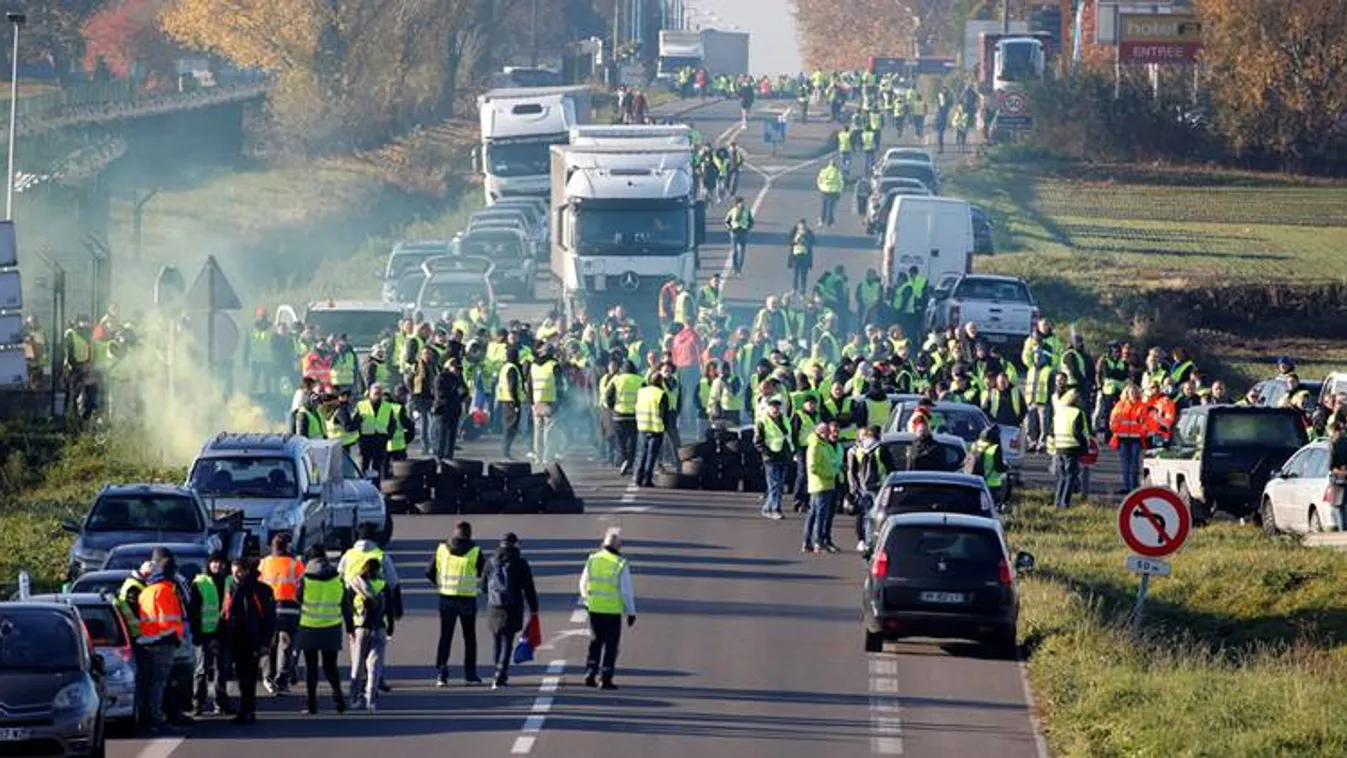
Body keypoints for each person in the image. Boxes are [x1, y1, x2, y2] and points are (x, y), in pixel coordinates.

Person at [428, 521, 486, 687]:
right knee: (469, 638)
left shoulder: (442, 550)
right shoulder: (475, 551)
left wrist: (440, 582)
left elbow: (429, 572)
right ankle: (470, 674)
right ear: (469, 534)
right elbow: (484, 573)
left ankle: (441, 673)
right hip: (467, 599)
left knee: (445, 637)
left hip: (446, 597)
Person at [579, 528, 636, 690]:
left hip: (595, 609)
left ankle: (590, 672)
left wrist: (587, 601)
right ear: (618, 547)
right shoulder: (620, 563)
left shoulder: (592, 559)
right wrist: (631, 612)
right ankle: (605, 677)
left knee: (595, 642)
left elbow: (583, 583)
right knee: (611, 645)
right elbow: (626, 591)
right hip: (612, 611)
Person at [220, 558, 275, 725]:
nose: (236, 574)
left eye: (238, 571)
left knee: (248, 677)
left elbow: (268, 619)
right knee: (243, 677)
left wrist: (265, 642)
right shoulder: (232, 588)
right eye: (233, 570)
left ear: (246, 571)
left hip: (251, 639)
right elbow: (226, 613)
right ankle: (247, 710)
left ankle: (248, 711)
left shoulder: (259, 591)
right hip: (235, 638)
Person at [137, 554, 188, 732]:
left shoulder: (145, 592)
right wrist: (176, 637)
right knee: (159, 683)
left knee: (150, 682)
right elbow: (169, 621)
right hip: (163, 641)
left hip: (146, 642)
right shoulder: (166, 592)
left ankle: (149, 716)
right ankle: (156, 718)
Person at [482, 532, 540, 688]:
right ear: (515, 545)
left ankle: (496, 670)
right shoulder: (520, 563)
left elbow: (482, 586)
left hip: (494, 606)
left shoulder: (490, 562)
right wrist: (534, 609)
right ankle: (501, 675)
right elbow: (529, 588)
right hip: (512, 606)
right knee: (507, 641)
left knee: (496, 640)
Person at [295, 545, 348, 715]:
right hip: (331, 627)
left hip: (309, 627)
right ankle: (338, 698)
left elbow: (298, 598)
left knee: (311, 668)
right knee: (330, 666)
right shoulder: (337, 578)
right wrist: (351, 628)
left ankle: (311, 704)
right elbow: (345, 603)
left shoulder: (305, 578)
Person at [346, 557, 395, 711]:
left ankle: (354, 698)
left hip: (360, 628)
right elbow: (389, 609)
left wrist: (349, 628)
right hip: (379, 627)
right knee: (374, 666)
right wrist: (390, 627)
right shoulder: (383, 585)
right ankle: (371, 701)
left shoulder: (354, 584)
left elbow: (347, 607)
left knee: (357, 665)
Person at [258, 533, 304, 695]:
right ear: (287, 546)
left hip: (268, 607)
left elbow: (258, 585)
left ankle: (267, 677)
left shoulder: (264, 563)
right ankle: (282, 679)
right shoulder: (296, 564)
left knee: (269, 643)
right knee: (285, 645)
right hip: (290, 608)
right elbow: (301, 586)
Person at [189, 551, 232, 716]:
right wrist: (196, 633)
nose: (218, 565)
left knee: (223, 670)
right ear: (209, 563)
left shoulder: (229, 581)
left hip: (225, 634)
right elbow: (193, 611)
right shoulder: (200, 582)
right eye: (215, 562)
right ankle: (197, 703)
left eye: (221, 562)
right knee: (201, 671)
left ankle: (221, 703)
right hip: (205, 634)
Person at [804, 421, 842, 553]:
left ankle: (808, 542)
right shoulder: (815, 446)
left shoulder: (824, 445)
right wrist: (829, 475)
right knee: (819, 515)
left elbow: (832, 462)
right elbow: (813, 467)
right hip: (820, 485)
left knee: (815, 514)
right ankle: (817, 542)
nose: (828, 434)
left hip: (826, 484)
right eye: (826, 432)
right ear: (819, 432)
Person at [755, 397, 794, 519]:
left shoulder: (785, 420)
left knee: (780, 485)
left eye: (777, 407)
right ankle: (775, 509)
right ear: (768, 408)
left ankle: (767, 508)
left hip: (783, 454)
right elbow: (758, 442)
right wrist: (767, 453)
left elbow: (789, 436)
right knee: (774, 485)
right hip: (770, 457)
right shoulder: (762, 422)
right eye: (773, 407)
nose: (775, 409)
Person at [1050, 390, 1090, 508]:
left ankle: (1057, 502)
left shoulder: (1059, 413)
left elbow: (1052, 431)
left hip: (1059, 447)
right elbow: (1077, 432)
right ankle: (1065, 503)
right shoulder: (1077, 412)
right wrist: (1084, 447)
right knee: (1070, 477)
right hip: (1072, 447)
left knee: (1062, 477)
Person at [1109, 383, 1147, 493]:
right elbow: (1113, 420)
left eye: (1135, 392)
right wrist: (1116, 429)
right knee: (1125, 464)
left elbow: (1145, 422)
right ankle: (1126, 486)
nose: (1133, 394)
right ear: (1126, 393)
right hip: (1122, 438)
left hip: (1136, 439)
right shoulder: (1120, 405)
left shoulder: (1142, 406)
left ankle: (1134, 487)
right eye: (1131, 392)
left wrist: (1141, 432)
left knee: (1134, 464)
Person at [633, 373, 669, 488]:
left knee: (642, 453)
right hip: (656, 427)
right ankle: (647, 479)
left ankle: (638, 477)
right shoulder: (661, 394)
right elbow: (663, 413)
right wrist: (666, 426)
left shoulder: (641, 392)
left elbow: (637, 406)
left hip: (642, 426)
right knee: (651, 455)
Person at [433, 356, 468, 459]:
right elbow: (440, 394)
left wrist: (461, 395)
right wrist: (455, 392)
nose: (458, 371)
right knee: (442, 436)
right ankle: (440, 457)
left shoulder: (458, 379)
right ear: (449, 367)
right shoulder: (441, 377)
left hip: (455, 410)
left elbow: (464, 392)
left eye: (459, 369)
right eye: (456, 368)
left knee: (452, 437)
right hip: (443, 410)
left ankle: (449, 457)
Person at [969, 426, 1009, 510]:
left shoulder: (976, 446)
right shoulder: (994, 449)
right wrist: (1006, 467)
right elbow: (999, 467)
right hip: (991, 483)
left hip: (975, 481)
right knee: (990, 507)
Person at [496, 346, 524, 459]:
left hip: (505, 400)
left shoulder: (505, 367)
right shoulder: (512, 368)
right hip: (511, 401)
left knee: (508, 426)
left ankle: (506, 451)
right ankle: (506, 451)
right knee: (511, 427)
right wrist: (516, 402)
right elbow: (512, 386)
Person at [724, 196, 754, 277]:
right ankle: (735, 267)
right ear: (737, 203)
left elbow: (751, 221)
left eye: (743, 202)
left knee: (742, 252)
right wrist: (730, 229)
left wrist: (748, 228)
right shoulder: (732, 211)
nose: (743, 204)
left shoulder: (747, 211)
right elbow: (726, 221)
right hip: (734, 232)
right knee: (734, 251)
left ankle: (739, 269)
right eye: (741, 202)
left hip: (743, 232)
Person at [788, 219, 815, 294]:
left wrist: (805, 240)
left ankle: (803, 289)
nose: (802, 227)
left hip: (805, 256)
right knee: (795, 274)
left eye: (803, 225)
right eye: (800, 225)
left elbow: (813, 242)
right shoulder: (794, 232)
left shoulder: (809, 233)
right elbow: (789, 241)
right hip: (796, 256)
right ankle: (794, 288)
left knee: (804, 274)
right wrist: (795, 241)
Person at [815, 161, 843, 227]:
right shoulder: (837, 172)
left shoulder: (823, 171)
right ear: (835, 165)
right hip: (833, 191)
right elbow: (841, 183)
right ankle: (829, 222)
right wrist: (839, 191)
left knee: (823, 206)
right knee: (831, 207)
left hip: (824, 191)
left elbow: (819, 180)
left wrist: (821, 187)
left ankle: (821, 221)